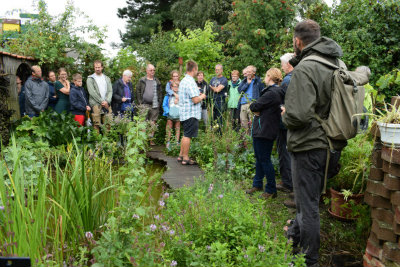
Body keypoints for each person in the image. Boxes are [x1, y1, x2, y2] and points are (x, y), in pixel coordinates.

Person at [282, 20, 345, 267]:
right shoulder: (336, 62)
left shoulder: (306, 67)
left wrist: (285, 114)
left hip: (309, 145)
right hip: (332, 144)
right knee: (310, 200)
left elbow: (298, 116)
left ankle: (309, 261)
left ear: (298, 41)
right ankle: (294, 238)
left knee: (307, 206)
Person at [246, 68, 283, 199]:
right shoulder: (274, 91)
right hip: (263, 128)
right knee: (260, 158)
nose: (264, 78)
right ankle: (257, 183)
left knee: (265, 159)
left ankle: (271, 189)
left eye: (266, 76)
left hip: (264, 130)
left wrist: (257, 109)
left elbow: (254, 106)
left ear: (270, 77)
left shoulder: (272, 93)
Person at [177, 60, 206, 165]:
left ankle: (181, 155)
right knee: (187, 135)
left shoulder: (184, 80)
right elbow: (195, 99)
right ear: (194, 69)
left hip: (185, 112)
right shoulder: (190, 81)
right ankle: (185, 157)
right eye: (196, 69)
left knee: (185, 134)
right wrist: (202, 96)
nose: (196, 72)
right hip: (190, 113)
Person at [276, 53, 295, 198]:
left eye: (282, 64)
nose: (281, 67)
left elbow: (280, 100)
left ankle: (287, 182)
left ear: (288, 64)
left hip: (284, 122)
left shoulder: (287, 80)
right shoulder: (298, 76)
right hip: (293, 121)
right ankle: (288, 181)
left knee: (284, 151)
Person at [136, 64, 162, 145]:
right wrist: (140, 102)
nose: (152, 72)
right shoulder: (142, 80)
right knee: (143, 122)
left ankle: (150, 140)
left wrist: (159, 103)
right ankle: (143, 140)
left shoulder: (157, 81)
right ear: (147, 71)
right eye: (151, 70)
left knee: (152, 123)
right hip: (144, 104)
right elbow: (138, 91)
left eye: (154, 70)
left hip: (154, 105)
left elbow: (160, 93)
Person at [87, 60, 113, 132]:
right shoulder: (90, 78)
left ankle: (107, 142)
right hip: (96, 104)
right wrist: (102, 101)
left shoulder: (106, 78)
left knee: (108, 124)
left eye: (99, 67)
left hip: (107, 104)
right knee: (96, 125)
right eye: (96, 67)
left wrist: (107, 101)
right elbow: (92, 92)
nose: (97, 69)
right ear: (94, 68)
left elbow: (110, 91)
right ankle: (97, 142)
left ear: (102, 67)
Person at [238, 65, 263, 131]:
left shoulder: (258, 81)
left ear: (254, 72)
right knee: (244, 124)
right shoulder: (244, 81)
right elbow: (239, 90)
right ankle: (245, 140)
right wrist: (247, 83)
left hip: (253, 104)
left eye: (249, 71)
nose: (248, 73)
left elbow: (262, 93)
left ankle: (252, 139)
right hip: (243, 104)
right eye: (247, 71)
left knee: (253, 123)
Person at [162, 81, 181, 149]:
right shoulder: (168, 95)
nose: (176, 88)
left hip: (178, 115)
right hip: (170, 115)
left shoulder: (181, 95)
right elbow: (164, 105)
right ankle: (168, 142)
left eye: (177, 87)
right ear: (171, 87)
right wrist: (168, 111)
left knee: (177, 128)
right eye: (174, 87)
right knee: (169, 128)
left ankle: (176, 142)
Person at [209, 64, 228, 128]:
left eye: (218, 70)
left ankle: (220, 134)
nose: (217, 71)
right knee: (212, 118)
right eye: (216, 70)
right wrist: (215, 88)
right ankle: (213, 133)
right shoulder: (212, 79)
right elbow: (211, 89)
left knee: (219, 118)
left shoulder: (224, 80)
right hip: (213, 101)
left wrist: (212, 87)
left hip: (221, 101)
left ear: (222, 70)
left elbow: (217, 90)